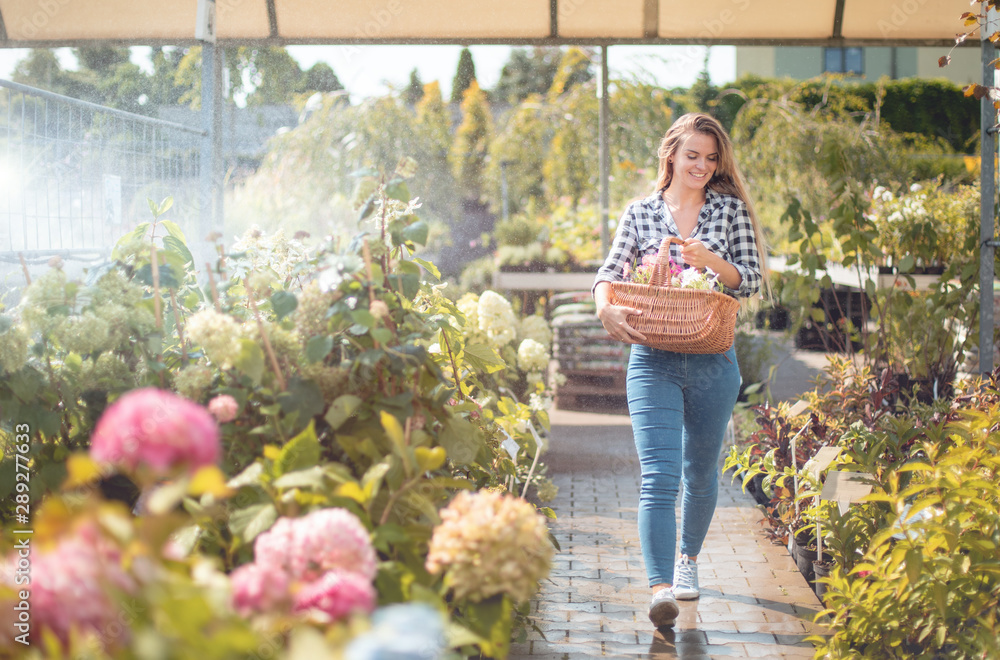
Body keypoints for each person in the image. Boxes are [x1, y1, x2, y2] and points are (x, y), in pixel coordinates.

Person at [592, 112, 769, 629]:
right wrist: (606, 307)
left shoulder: (730, 211)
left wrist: (711, 260)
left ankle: (687, 561)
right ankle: (660, 588)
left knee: (700, 472)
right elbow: (609, 271)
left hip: (714, 360)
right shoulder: (641, 213)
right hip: (653, 361)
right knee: (660, 475)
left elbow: (749, 280)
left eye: (711, 158)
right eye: (692, 155)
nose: (702, 165)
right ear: (670, 154)